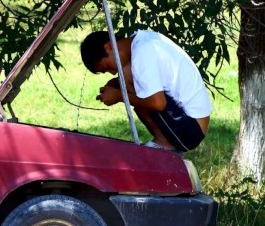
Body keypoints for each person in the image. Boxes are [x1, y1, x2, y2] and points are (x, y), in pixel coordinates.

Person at [80, 30, 212, 152]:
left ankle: (163, 142)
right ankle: (164, 140)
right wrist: (116, 84)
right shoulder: (141, 41)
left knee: (127, 78)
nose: (113, 72)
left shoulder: (141, 53)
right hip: (192, 123)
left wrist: (119, 96)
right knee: (125, 78)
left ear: (109, 47)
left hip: (189, 131)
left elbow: (158, 103)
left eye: (108, 67)